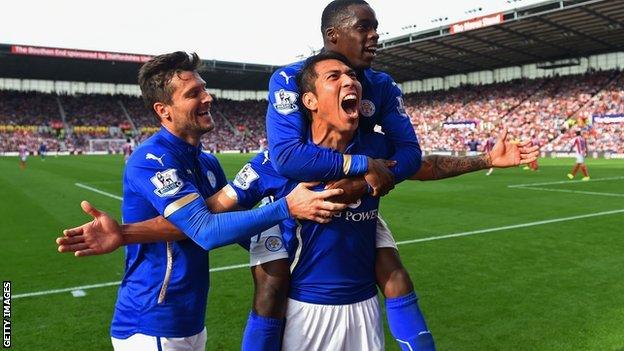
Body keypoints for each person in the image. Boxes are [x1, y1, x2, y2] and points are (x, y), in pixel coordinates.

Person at [57, 53, 539, 350]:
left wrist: (486, 160)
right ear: (310, 101)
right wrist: (280, 218)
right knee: (269, 278)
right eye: (336, 77)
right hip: (303, 319)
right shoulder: (273, 161)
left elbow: (419, 166)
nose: (351, 82)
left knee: (390, 264)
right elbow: (211, 216)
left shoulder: (371, 146)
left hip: (364, 314)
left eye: (353, 76)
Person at [260, 1, 540, 350]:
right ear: (333, 35)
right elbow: (287, 158)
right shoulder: (290, 78)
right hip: (305, 209)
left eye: (375, 26)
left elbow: (410, 155)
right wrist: (360, 167)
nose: (375, 34)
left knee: (395, 276)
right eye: (363, 27)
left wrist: (360, 184)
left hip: (362, 205)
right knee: (270, 290)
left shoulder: (381, 85)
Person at [58, 51, 346, 351]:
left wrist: (301, 241)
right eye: (193, 93)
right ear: (164, 110)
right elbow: (206, 230)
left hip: (191, 323)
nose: (208, 98)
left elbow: (239, 226)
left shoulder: (207, 163)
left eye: (204, 88)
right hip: (151, 326)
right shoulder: (151, 159)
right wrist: (287, 206)